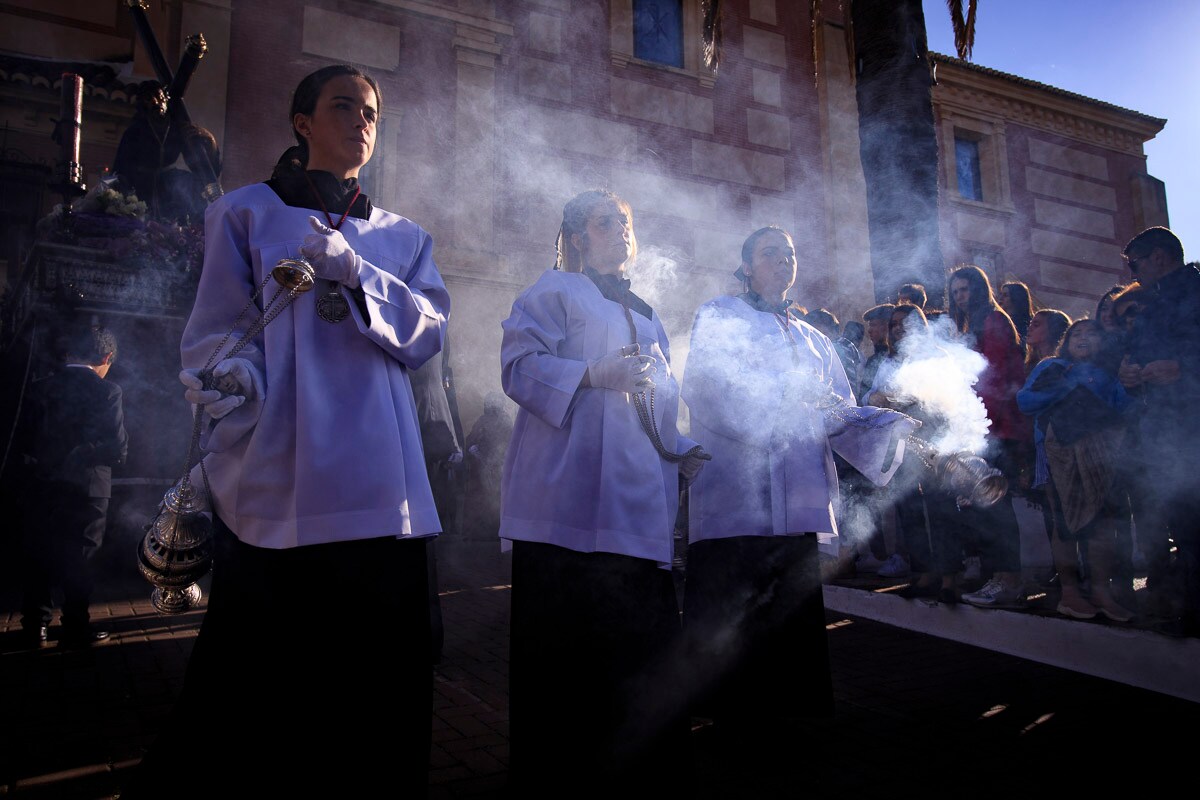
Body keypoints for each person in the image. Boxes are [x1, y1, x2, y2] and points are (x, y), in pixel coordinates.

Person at [126, 65, 449, 798]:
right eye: (344, 106)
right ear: (302, 122)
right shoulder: (244, 212)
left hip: (379, 483)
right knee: (259, 680)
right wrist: (232, 375)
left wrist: (357, 271)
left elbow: (428, 335)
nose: (362, 121)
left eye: (371, 112)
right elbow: (217, 330)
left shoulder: (403, 237)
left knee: (376, 686)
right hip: (284, 475)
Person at [499, 189, 707, 792]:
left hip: (634, 503)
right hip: (563, 501)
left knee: (637, 646)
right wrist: (590, 375)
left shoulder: (647, 312)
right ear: (577, 236)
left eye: (624, 221)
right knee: (563, 651)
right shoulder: (553, 290)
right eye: (603, 222)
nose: (618, 230)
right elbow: (517, 366)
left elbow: (659, 398)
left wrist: (678, 447)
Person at [682, 226, 915, 737]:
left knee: (788, 607)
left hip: (799, 494)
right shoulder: (721, 315)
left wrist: (881, 424)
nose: (783, 262)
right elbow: (704, 387)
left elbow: (838, 412)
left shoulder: (812, 338)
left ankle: (789, 708)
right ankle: (731, 710)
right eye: (771, 254)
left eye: (789, 254)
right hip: (738, 494)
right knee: (733, 606)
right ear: (746, 265)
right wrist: (772, 420)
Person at [18, 322, 127, 648]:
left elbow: (25, 440)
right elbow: (117, 450)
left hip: (42, 482)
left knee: (40, 552)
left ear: (70, 353)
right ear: (107, 357)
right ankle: (76, 627)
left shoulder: (40, 387)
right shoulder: (108, 391)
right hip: (89, 487)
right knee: (81, 557)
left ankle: (34, 627)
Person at [1018, 320, 1136, 621]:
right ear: (1066, 342)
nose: (1083, 338)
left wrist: (1128, 382)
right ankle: (1070, 593)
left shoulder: (1107, 374)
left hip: (1101, 455)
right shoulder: (1052, 366)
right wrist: (1064, 386)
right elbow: (1025, 401)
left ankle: (1100, 590)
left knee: (1102, 522)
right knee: (1065, 524)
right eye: (1077, 334)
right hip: (1058, 455)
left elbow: (1125, 409)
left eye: (1092, 334)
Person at [1118, 227, 1200, 634]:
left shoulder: (1196, 292)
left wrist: (1183, 370)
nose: (1134, 274)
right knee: (1182, 526)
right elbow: (1138, 355)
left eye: (1135, 264)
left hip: (1193, 427)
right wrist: (1130, 373)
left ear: (1159, 258)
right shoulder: (1151, 306)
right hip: (1165, 432)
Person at [948, 265, 1030, 607]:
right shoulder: (973, 326)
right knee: (983, 506)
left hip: (998, 427)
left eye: (965, 290)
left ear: (979, 290)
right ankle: (997, 575)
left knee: (996, 506)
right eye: (955, 293)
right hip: (983, 427)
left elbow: (992, 377)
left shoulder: (994, 321)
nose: (960, 298)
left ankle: (1008, 581)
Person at [461, 390, 512, 541]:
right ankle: (477, 533)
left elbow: (509, 444)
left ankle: (493, 531)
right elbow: (471, 439)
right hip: (480, 469)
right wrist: (472, 448)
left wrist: (496, 460)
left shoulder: (505, 421)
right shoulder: (483, 420)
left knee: (494, 499)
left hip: (498, 469)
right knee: (478, 499)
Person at [999, 280, 1035, 347]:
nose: (1000, 298)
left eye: (1005, 295)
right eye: (1001, 294)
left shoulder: (1027, 326)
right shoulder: (999, 321)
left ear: (1016, 298)